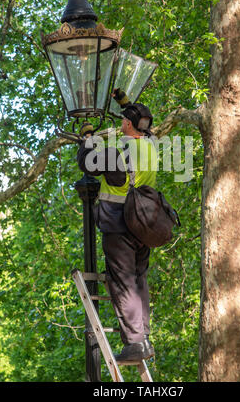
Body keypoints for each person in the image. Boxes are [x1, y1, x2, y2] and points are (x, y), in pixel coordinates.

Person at [77, 89, 157, 362]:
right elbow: (147, 127)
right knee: (138, 280)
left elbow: (86, 163)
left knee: (122, 283)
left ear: (126, 124)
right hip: (145, 224)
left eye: (124, 119)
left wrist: (88, 138)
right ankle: (143, 338)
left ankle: (134, 343)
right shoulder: (152, 144)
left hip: (119, 224)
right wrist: (126, 104)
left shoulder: (119, 151)